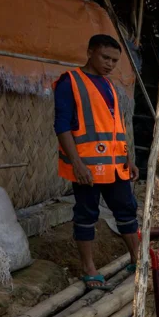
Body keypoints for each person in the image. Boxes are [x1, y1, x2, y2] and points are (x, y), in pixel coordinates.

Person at [54, 34, 139, 290]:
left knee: (126, 211)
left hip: (116, 166)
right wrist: (76, 163)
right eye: (105, 57)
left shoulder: (110, 85)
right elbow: (62, 126)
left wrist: (128, 159)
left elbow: (116, 128)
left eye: (114, 60)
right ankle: (90, 269)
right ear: (90, 52)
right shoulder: (70, 82)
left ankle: (137, 259)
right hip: (87, 168)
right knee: (86, 215)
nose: (110, 64)